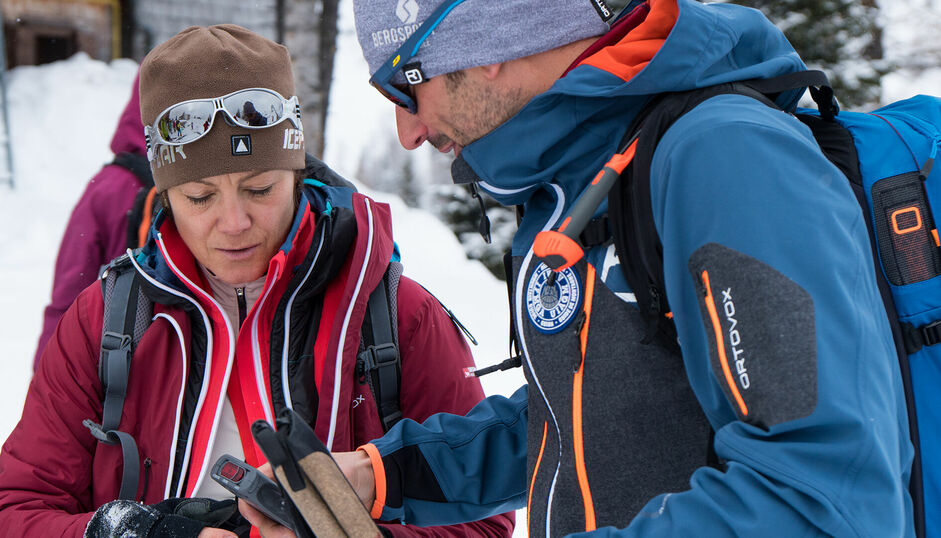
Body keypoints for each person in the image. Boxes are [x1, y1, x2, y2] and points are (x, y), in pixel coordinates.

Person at [338, 0, 917, 536]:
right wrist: (381, 475)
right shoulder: (578, 181)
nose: (408, 133)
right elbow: (591, 419)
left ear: (482, 42)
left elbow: (820, 494)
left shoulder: (725, 158)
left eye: (405, 87)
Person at [0, 24, 514, 538]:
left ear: (297, 175)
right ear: (164, 196)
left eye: (261, 189)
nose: (234, 223)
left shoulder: (397, 314)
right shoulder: (108, 321)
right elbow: (16, 508)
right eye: (200, 197)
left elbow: (485, 522)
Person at [32, 72, 148, 369]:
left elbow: (67, 294)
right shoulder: (206, 187)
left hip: (112, 362)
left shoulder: (108, 187)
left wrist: (44, 373)